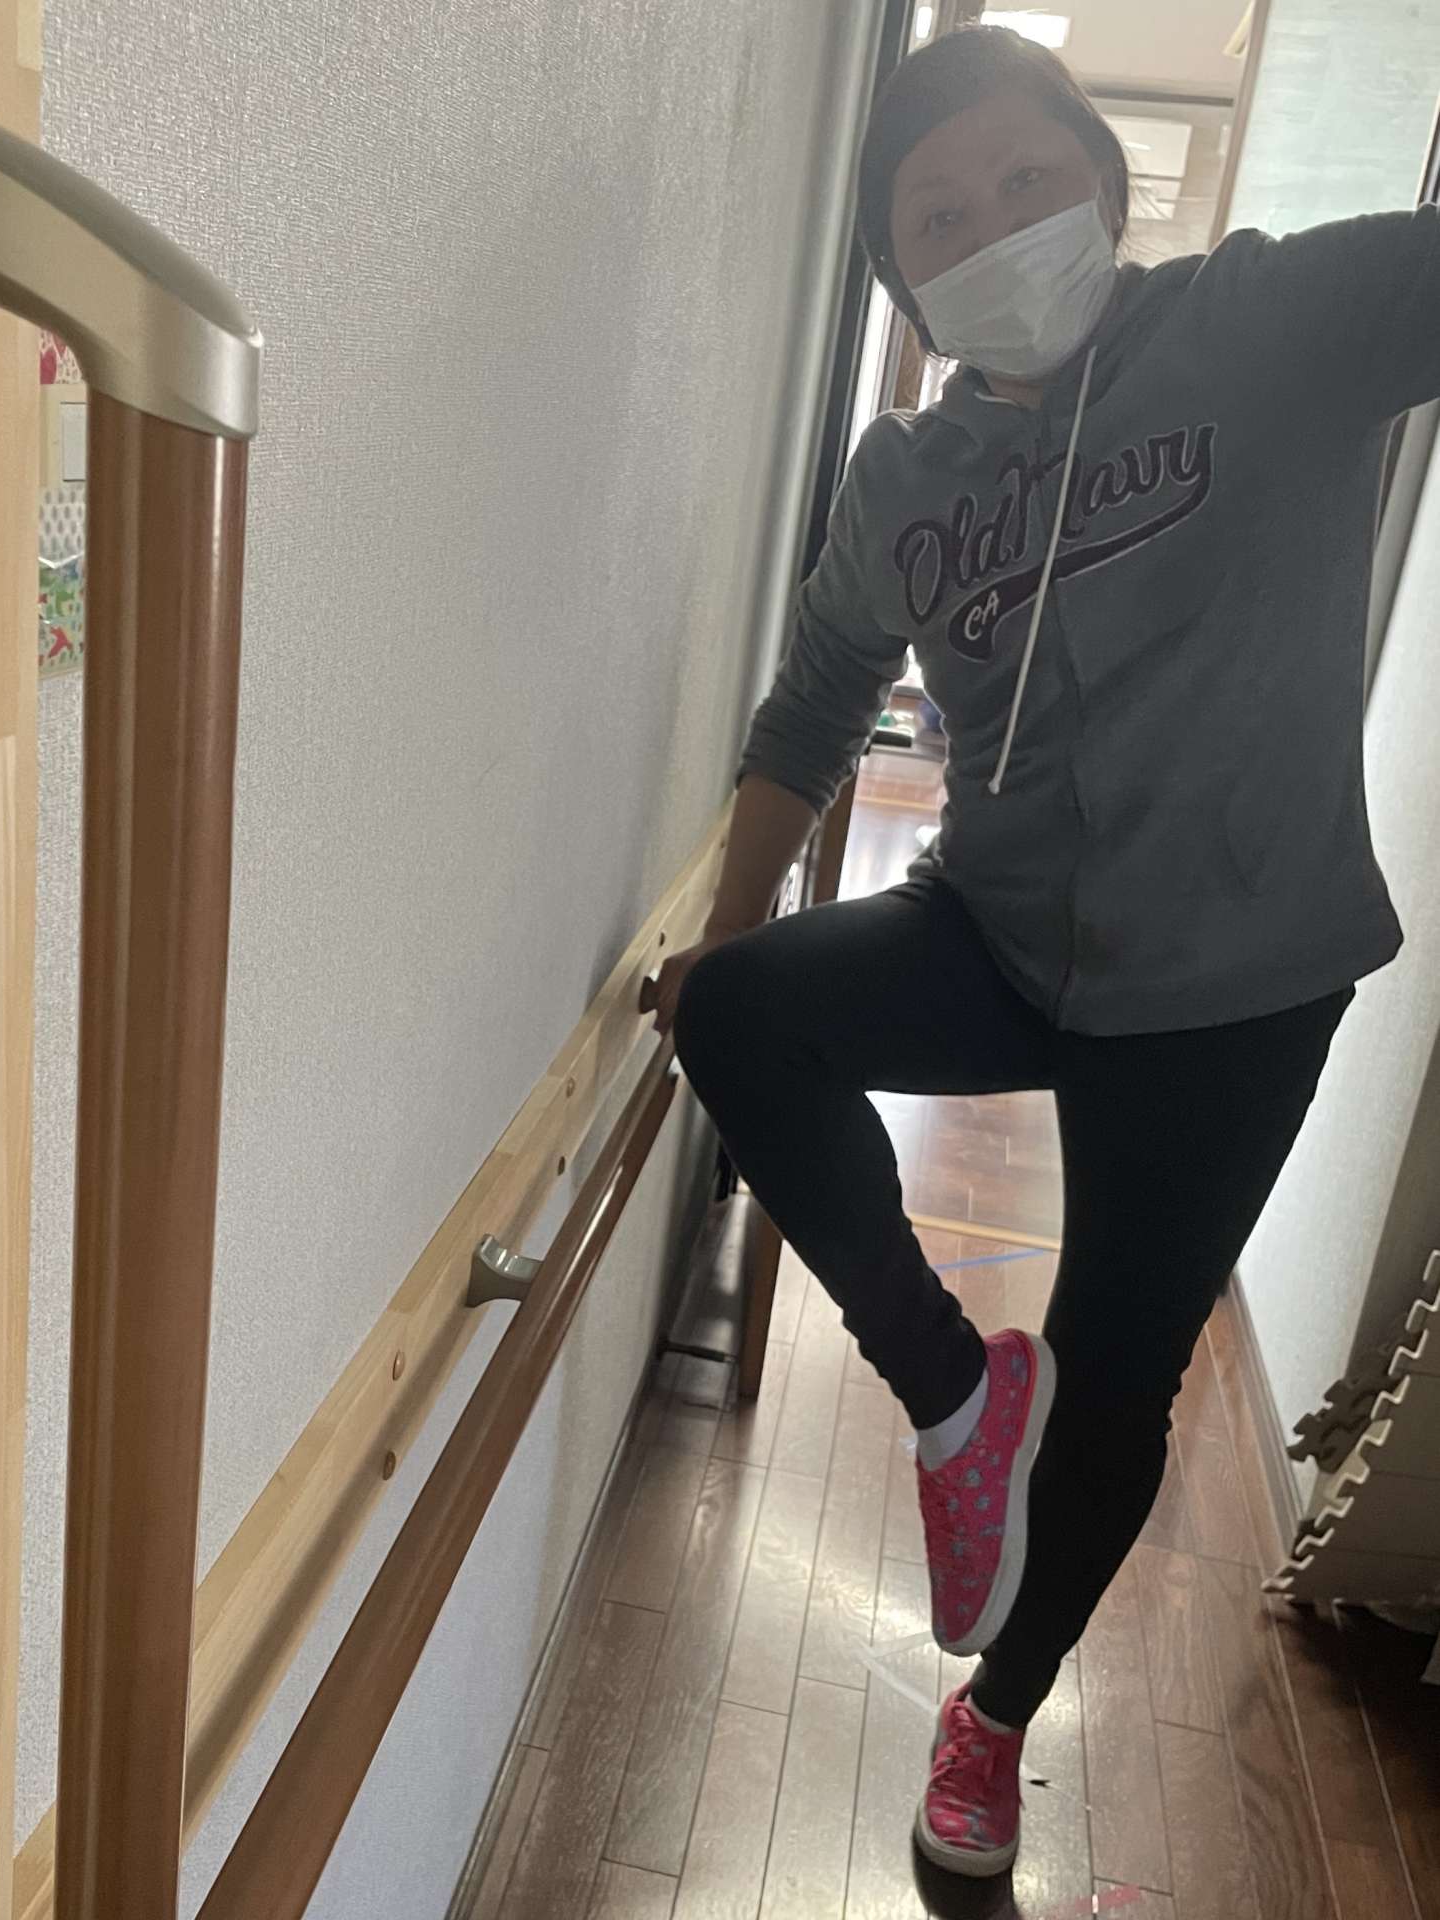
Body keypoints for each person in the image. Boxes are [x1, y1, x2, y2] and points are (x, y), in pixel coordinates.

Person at [654, 25, 1434, 1880]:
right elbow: (816, 700)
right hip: (1000, 931)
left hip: (1233, 982)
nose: (993, 227)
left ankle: (994, 1713)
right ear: (900, 277)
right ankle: (951, 1399)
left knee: (1113, 1378)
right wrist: (726, 923)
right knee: (737, 1011)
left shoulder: (1261, 325)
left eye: (1024, 179)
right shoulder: (903, 480)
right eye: (939, 216)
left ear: (1100, 177)